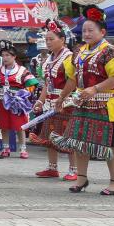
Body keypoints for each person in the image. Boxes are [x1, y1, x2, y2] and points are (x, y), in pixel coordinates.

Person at [50, 0, 114, 196]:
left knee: (111, 145)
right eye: (84, 30)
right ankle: (82, 178)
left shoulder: (110, 52)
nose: (86, 34)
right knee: (78, 141)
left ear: (102, 32)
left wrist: (96, 89)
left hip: (106, 104)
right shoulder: (79, 52)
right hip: (83, 102)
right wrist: (62, 97)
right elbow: (72, 78)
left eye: (91, 30)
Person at [30, 19, 78, 181]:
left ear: (62, 40)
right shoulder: (50, 59)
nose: (48, 42)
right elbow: (47, 83)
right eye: (47, 39)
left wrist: (62, 97)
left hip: (67, 102)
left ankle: (74, 169)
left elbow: (73, 81)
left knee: (67, 136)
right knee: (50, 136)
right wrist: (40, 101)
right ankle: (52, 167)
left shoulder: (69, 57)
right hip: (51, 101)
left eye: (51, 39)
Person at [0, 40, 39, 159]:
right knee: (4, 126)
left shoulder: (22, 70)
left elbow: (32, 83)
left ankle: (23, 149)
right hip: (1, 101)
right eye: (3, 55)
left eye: (7, 55)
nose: (5, 58)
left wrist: (23, 94)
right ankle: (5, 148)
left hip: (17, 103)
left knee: (20, 126)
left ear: (14, 56)